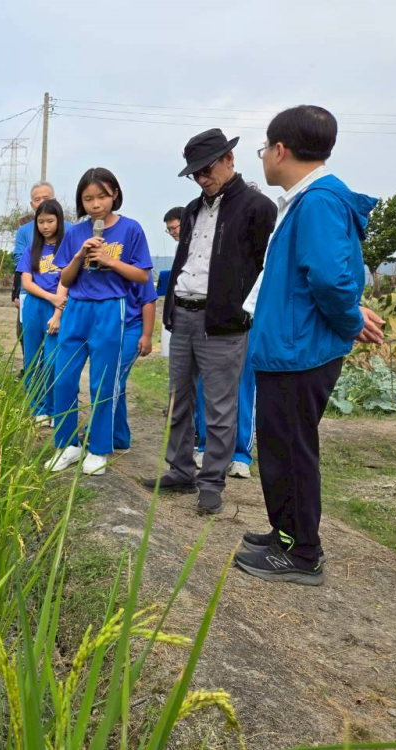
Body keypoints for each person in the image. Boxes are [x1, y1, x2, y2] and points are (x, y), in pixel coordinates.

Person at [235, 105, 384, 585]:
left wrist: (349, 320)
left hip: (298, 352)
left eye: (263, 148)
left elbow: (330, 279)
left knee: (291, 452)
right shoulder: (307, 200)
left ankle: (302, 553)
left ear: (280, 150)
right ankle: (284, 534)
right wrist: (349, 313)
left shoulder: (318, 201)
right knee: (280, 448)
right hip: (288, 347)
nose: (263, 157)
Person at [143, 129, 277, 515]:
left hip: (224, 322)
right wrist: (170, 308)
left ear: (229, 160)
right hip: (183, 313)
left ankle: (212, 481)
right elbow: (184, 260)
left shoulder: (257, 207)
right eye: (195, 173)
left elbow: (266, 268)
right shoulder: (191, 209)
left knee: (219, 406)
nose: (202, 178)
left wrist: (244, 311)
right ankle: (181, 470)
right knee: (178, 399)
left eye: (207, 169)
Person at [46, 168, 152, 476]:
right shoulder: (75, 233)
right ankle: (66, 445)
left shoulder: (131, 229)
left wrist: (109, 260)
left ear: (115, 194)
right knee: (63, 377)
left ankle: (99, 448)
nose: (96, 204)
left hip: (110, 308)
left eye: (102, 196)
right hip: (76, 308)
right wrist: (80, 255)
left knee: (103, 382)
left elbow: (142, 275)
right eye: (88, 198)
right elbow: (65, 278)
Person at [16, 199, 68, 425]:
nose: (45, 226)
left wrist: (57, 308)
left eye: (50, 221)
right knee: (33, 359)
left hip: (59, 307)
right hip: (34, 306)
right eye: (41, 222)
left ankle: (55, 408)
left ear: (59, 221)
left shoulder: (67, 249)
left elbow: (68, 280)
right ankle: (38, 408)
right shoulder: (31, 250)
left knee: (53, 361)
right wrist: (50, 297)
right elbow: (26, 282)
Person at [113, 273, 157, 452]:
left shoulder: (139, 268)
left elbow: (149, 300)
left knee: (112, 381)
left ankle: (95, 431)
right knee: (116, 384)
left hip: (132, 328)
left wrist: (147, 335)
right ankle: (119, 437)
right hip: (109, 328)